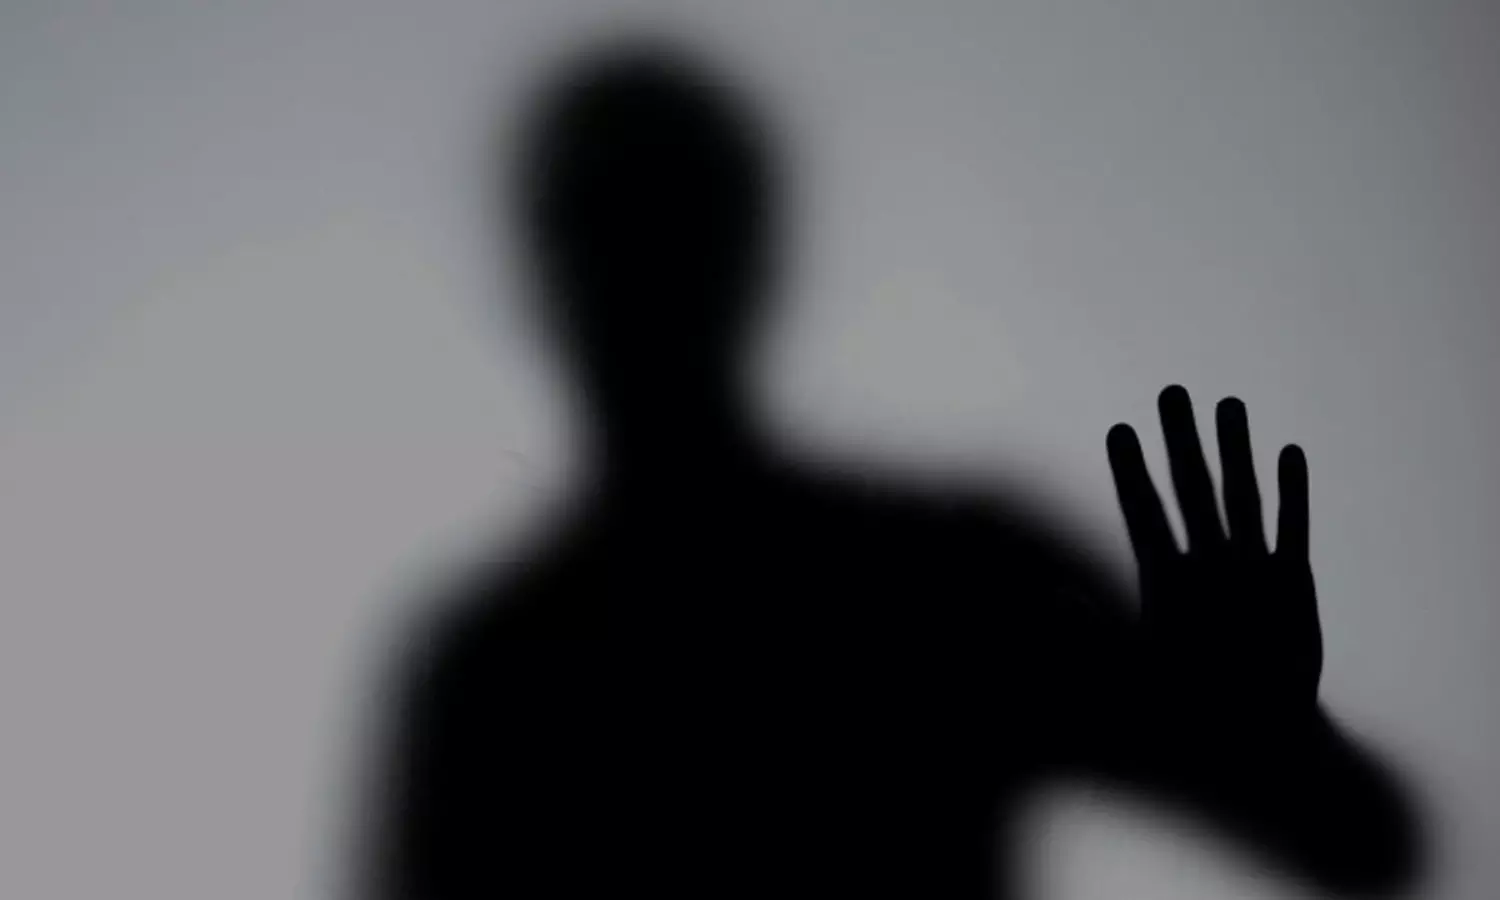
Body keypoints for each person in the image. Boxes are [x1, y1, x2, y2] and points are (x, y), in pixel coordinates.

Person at [359, 41, 1421, 900]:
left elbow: (1364, 850)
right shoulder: (939, 578)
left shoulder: (946, 581)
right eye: (610, 228)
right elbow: (1364, 849)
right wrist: (1272, 740)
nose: (636, 277)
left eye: (661, 223)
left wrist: (1269, 733)